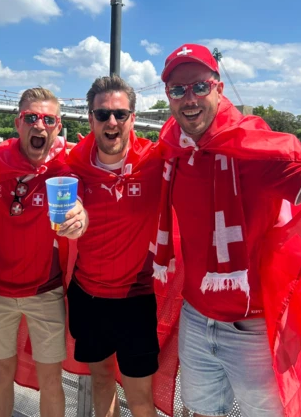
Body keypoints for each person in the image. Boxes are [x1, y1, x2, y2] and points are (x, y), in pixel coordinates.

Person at [154, 43, 301, 417]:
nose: (188, 98)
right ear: (169, 97)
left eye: (198, 86)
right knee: (201, 413)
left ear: (219, 89)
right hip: (195, 317)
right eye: (177, 90)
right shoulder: (173, 151)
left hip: (253, 329)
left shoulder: (256, 150)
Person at [0, 87, 87, 417]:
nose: (39, 125)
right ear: (18, 123)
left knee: (51, 380)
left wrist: (79, 215)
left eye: (48, 119)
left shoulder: (64, 166)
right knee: (0, 376)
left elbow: (83, 200)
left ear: (57, 126)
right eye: (31, 117)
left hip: (45, 291)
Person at [66, 76, 168, 417]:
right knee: (101, 382)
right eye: (103, 114)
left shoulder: (155, 160)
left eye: (120, 114)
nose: (112, 121)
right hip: (88, 295)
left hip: (134, 298)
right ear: (91, 118)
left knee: (140, 396)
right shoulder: (74, 166)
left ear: (133, 119)